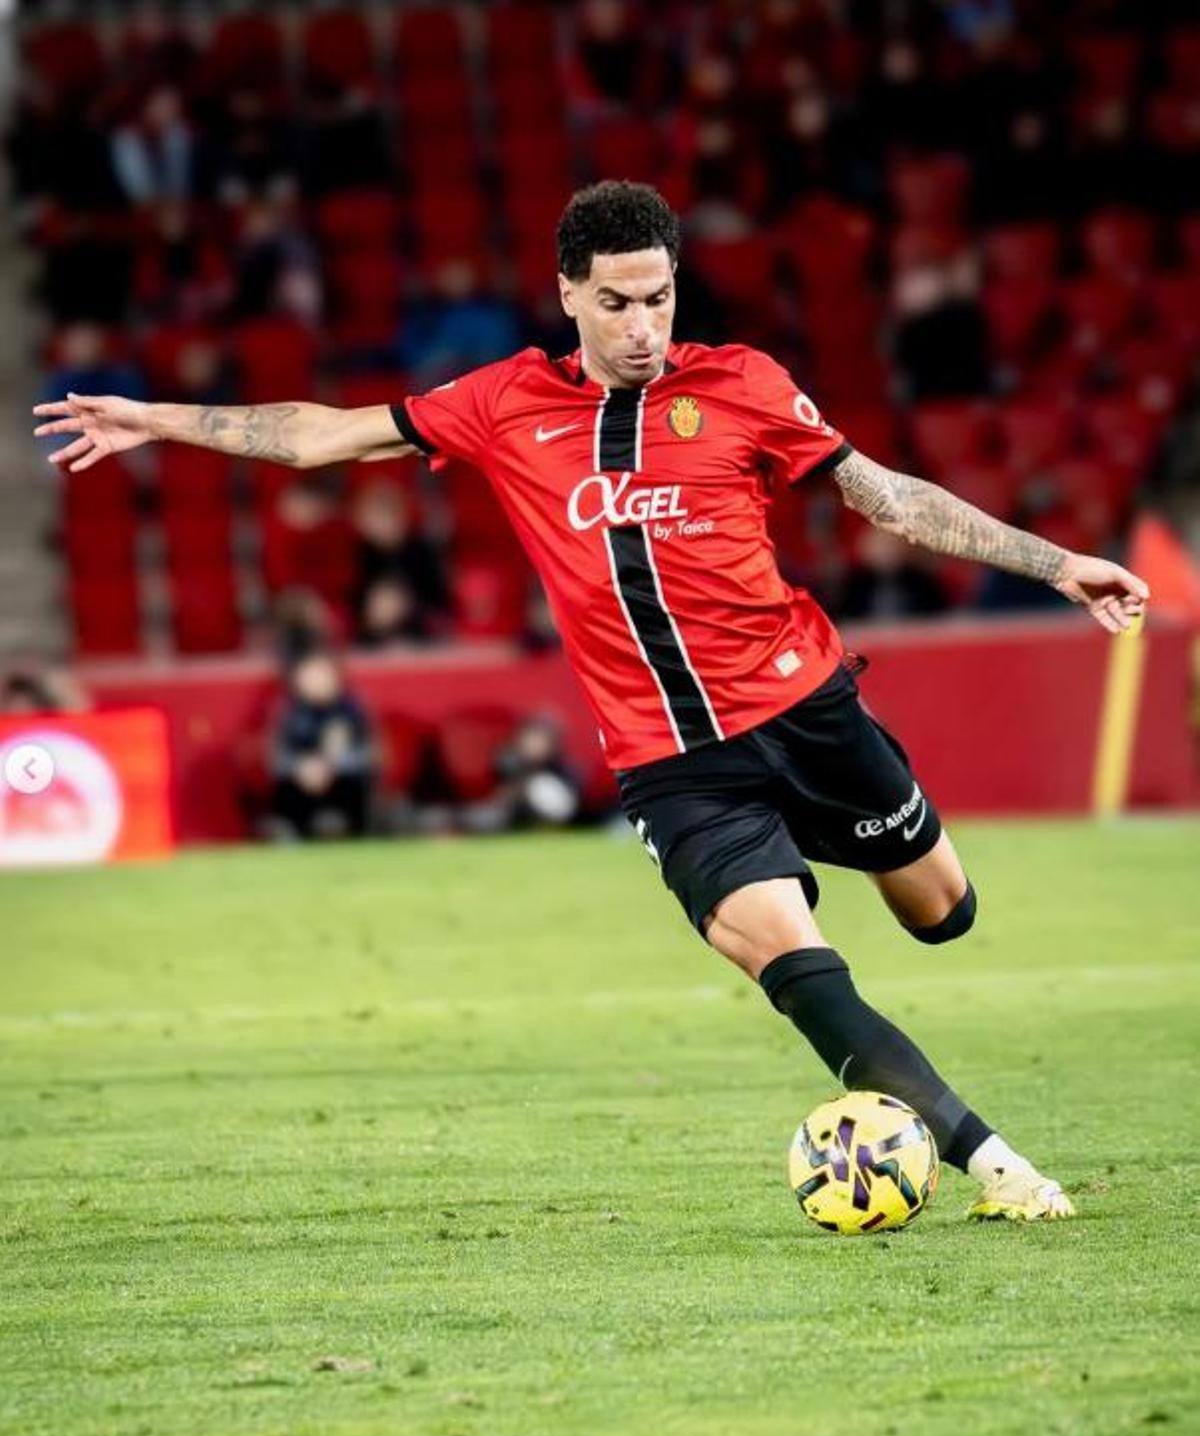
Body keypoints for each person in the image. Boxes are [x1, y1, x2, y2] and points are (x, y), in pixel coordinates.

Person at [34, 180, 1150, 1221]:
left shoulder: (745, 385)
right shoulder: (502, 402)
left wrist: (1061, 565)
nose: (639, 327)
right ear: (568, 293)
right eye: (613, 302)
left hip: (809, 715)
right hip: (676, 769)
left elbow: (886, 497)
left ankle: (893, 889)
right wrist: (160, 419)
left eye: (657, 298)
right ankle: (994, 1164)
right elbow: (324, 433)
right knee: (798, 969)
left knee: (944, 915)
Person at [265, 650, 375, 841]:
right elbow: (277, 758)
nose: (314, 682)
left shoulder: (352, 711)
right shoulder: (290, 714)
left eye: (319, 675)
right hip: (302, 785)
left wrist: (332, 766)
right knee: (287, 789)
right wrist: (300, 768)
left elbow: (370, 754)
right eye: (308, 677)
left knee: (358, 786)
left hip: (344, 782)